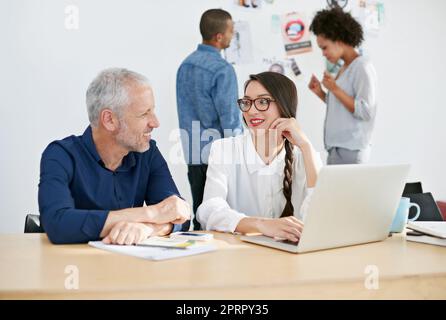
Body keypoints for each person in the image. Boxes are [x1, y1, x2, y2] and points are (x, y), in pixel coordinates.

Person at [38, 68, 190, 244]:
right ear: (109, 120)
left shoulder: (147, 152)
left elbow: (179, 215)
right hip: (74, 266)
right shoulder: (60, 155)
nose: (155, 123)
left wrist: (147, 229)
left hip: (128, 266)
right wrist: (150, 213)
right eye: (144, 114)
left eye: (153, 111)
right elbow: (58, 225)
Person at [197, 72, 322, 243]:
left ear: (284, 107)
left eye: (263, 102)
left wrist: (307, 147)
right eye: (247, 102)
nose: (252, 111)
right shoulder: (224, 149)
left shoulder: (305, 155)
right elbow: (209, 210)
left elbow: (321, 216)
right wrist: (263, 225)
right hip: (241, 257)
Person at [176, 9, 243, 230]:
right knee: (223, 218)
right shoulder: (222, 70)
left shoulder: (185, 65)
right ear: (219, 36)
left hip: (192, 152)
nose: (233, 35)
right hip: (218, 155)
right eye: (231, 31)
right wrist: (242, 152)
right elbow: (230, 118)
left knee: (201, 215)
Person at [308, 7, 377, 165]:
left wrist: (334, 89)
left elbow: (365, 112)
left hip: (351, 149)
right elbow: (342, 107)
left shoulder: (362, 66)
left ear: (338, 39)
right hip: (337, 149)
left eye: (324, 47)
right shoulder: (344, 68)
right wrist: (321, 93)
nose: (323, 53)